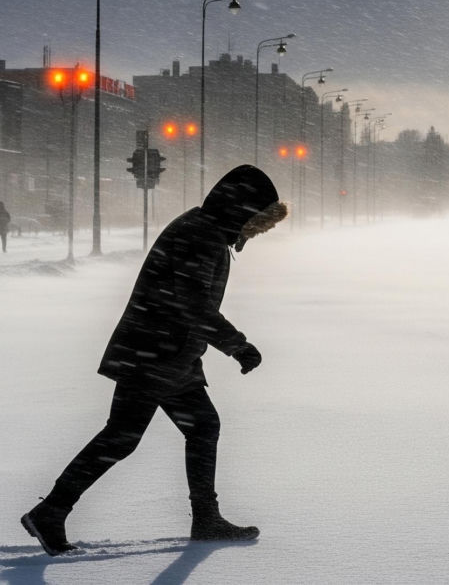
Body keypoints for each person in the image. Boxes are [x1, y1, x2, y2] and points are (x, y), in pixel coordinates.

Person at [21, 165, 287, 556]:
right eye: (255, 221)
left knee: (196, 427)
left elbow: (191, 306)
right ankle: (51, 511)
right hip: (155, 352)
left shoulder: (206, 230)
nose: (254, 231)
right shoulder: (201, 236)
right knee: (123, 436)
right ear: (240, 210)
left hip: (167, 353)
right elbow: (192, 304)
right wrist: (237, 345)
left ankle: (205, 519)